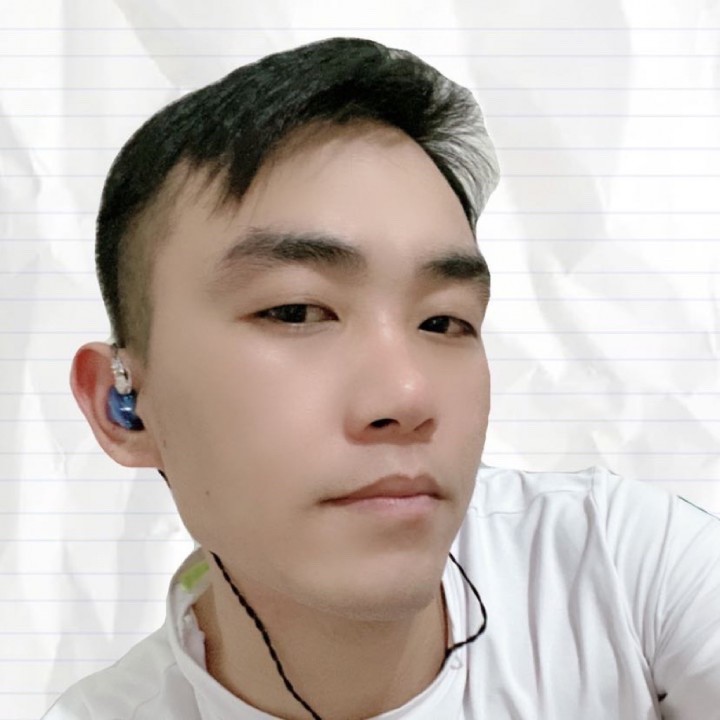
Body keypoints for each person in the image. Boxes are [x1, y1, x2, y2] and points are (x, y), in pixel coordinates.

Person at [43, 37, 720, 720]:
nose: (407, 396)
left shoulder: (621, 570)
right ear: (123, 405)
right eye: (296, 311)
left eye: (444, 321)